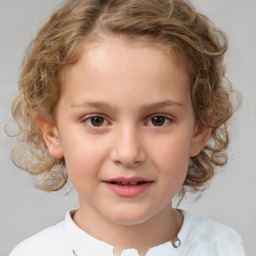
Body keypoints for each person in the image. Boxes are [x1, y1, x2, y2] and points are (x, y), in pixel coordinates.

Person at [9, 0, 245, 255]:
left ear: (199, 130)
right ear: (52, 133)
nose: (128, 153)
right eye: (96, 120)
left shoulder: (226, 247)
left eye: (158, 120)